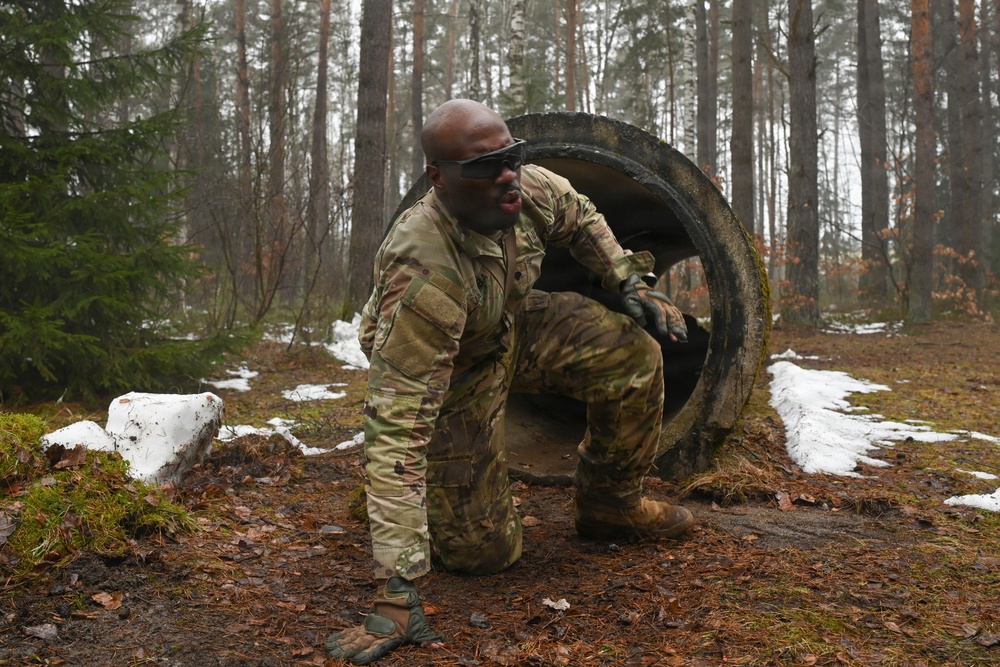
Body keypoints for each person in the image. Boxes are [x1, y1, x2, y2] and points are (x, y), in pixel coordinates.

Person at [327, 99, 694, 665]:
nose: (506, 174)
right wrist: (396, 591)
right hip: (454, 374)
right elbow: (394, 435)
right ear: (439, 179)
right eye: (482, 166)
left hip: (514, 324)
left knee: (633, 356)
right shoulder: (424, 273)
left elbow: (579, 213)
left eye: (512, 157)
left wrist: (625, 278)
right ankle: (450, 501)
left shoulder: (525, 188)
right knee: (485, 555)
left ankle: (610, 505)